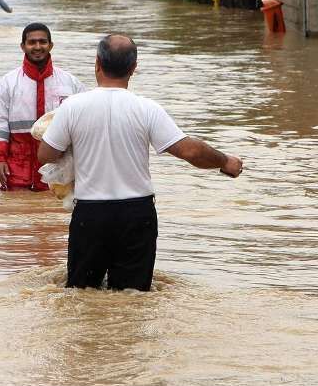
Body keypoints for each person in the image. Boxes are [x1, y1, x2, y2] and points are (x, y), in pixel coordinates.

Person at [37, 34, 243, 291]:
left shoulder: (72, 108)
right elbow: (190, 151)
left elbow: (45, 155)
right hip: (137, 216)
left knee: (82, 294)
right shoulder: (147, 109)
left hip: (91, 215)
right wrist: (225, 161)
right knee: (133, 297)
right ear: (134, 68)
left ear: (97, 63)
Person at [0, 23, 87, 191]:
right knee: (13, 213)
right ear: (23, 46)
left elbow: (85, 125)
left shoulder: (70, 83)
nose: (37, 47)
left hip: (59, 169)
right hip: (17, 169)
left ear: (51, 45)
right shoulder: (7, 83)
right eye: (32, 42)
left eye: (42, 42)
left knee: (56, 213)